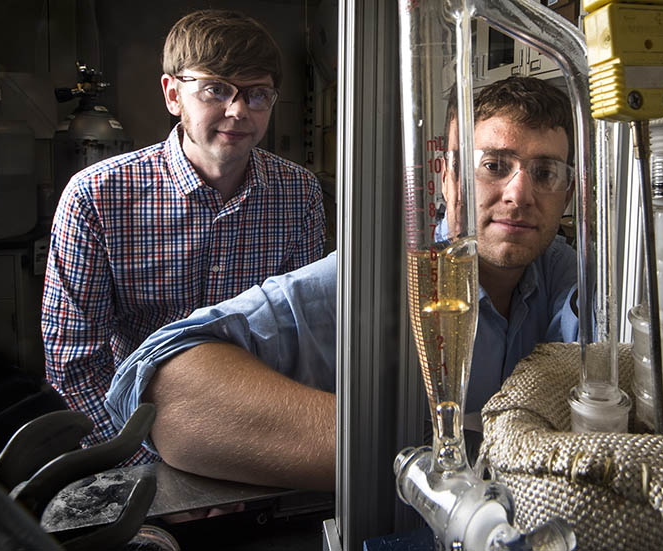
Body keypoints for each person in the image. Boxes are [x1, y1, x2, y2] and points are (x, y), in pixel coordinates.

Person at [105, 76, 576, 488]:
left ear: (568, 192)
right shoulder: (383, 278)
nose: (519, 194)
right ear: (448, 177)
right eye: (493, 165)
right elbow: (166, 387)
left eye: (545, 172)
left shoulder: (566, 272)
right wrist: (432, 456)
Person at [42, 9, 326, 463]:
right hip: (136, 438)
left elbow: (303, 338)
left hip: (260, 432)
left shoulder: (298, 194)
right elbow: (73, 361)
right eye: (215, 89)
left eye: (257, 95)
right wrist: (150, 463)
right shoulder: (95, 197)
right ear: (173, 93)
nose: (238, 111)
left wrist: (268, 450)